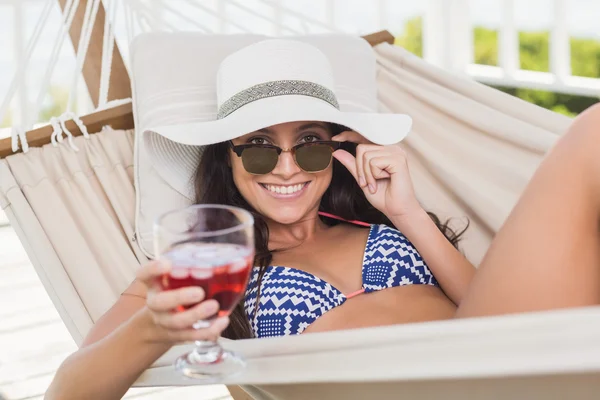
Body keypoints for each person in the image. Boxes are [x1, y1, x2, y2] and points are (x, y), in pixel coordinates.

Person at [46, 39, 600, 399]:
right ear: (228, 158)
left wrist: (406, 214)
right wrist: (152, 327)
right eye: (260, 147)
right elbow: (68, 391)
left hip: (491, 371)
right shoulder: (209, 269)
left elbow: (495, 319)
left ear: (338, 151)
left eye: (309, 144)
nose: (286, 167)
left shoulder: (389, 224)